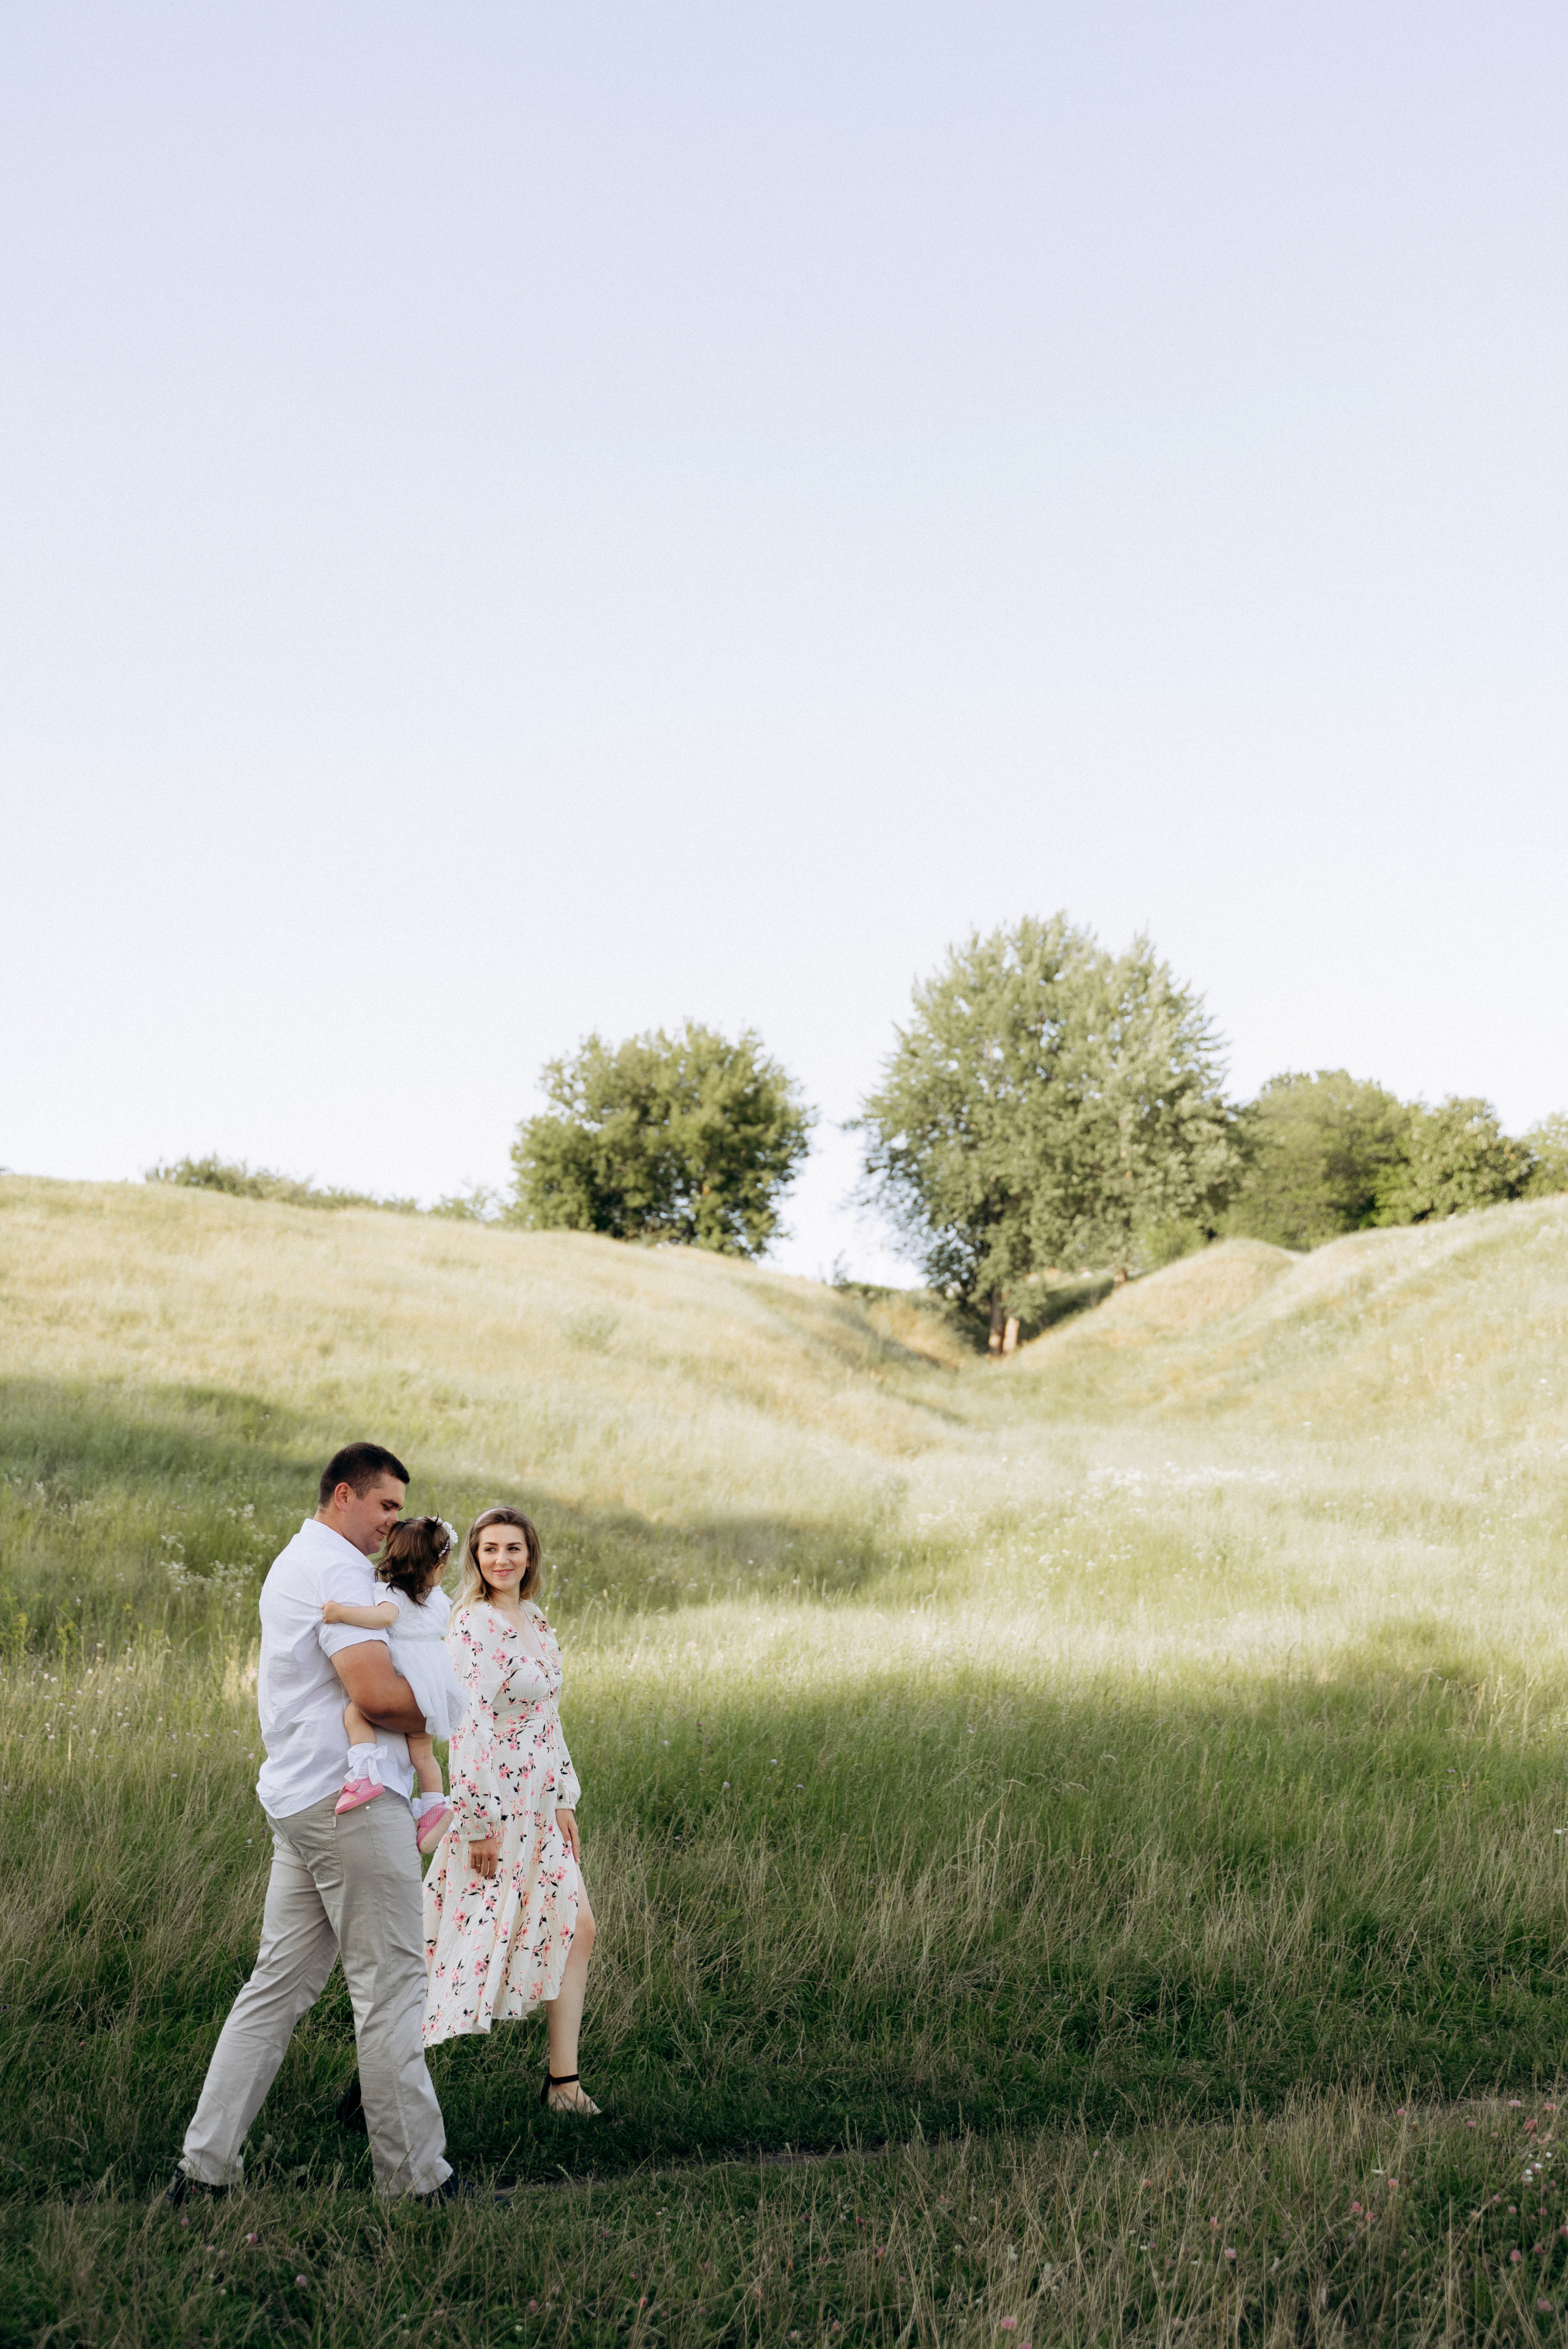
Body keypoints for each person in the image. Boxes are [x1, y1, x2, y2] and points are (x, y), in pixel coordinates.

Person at [167, 1443, 458, 2204]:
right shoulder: (336, 1572)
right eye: (385, 1506)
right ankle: (415, 2183)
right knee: (391, 1988)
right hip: (350, 1805)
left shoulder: (303, 1560)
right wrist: (454, 1707)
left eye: (400, 1510)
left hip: (305, 1800)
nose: (392, 1522)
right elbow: (379, 1696)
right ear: (343, 1495)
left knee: (275, 1989)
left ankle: (203, 2171)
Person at [422, 1507, 599, 2114]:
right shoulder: (472, 1625)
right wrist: (476, 1823)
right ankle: (377, 2083)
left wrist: (563, 1796)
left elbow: (547, 1716)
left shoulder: (535, 1619)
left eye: (513, 1548)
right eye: (490, 1549)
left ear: (530, 1556)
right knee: (460, 1946)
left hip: (539, 1808)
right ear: (475, 1558)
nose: (502, 1559)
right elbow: (466, 1726)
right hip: (494, 1811)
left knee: (576, 1928)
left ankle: (563, 2085)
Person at [323, 1515, 467, 1855]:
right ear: (436, 1567)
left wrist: (341, 1613)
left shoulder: (391, 1593)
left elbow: (384, 1618)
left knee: (356, 1712)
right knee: (423, 1754)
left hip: (408, 1680)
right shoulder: (437, 1598)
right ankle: (434, 1806)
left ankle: (363, 1773)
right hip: (436, 1687)